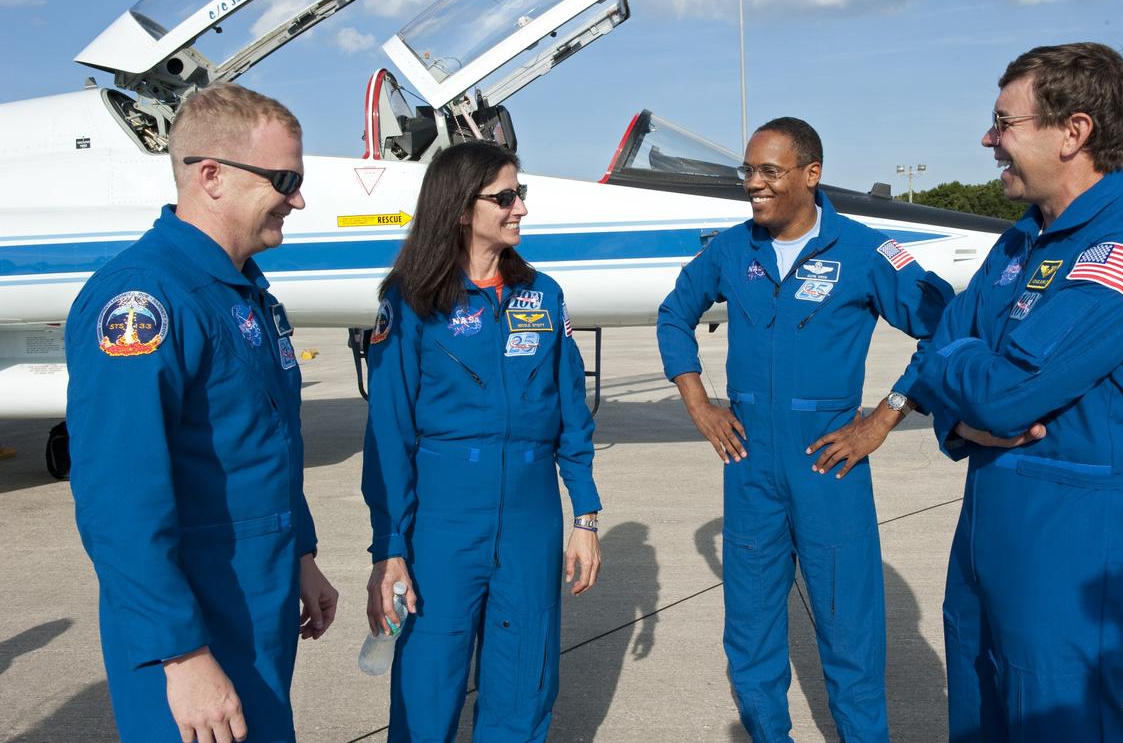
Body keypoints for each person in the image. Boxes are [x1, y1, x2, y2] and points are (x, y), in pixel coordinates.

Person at [909, 43, 1123, 741]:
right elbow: (936, 355)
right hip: (985, 527)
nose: (989, 139)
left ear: (1074, 132)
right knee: (977, 721)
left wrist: (964, 372)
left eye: (1004, 123)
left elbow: (1002, 394)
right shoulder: (1019, 244)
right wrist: (962, 410)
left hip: (1069, 540)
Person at [656, 117, 954, 741]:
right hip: (749, 463)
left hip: (828, 462)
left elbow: (945, 328)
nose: (753, 185)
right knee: (751, 631)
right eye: (748, 172)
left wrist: (884, 417)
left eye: (769, 172)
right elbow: (673, 316)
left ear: (811, 175)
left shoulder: (864, 251)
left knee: (850, 631)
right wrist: (700, 405)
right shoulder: (732, 249)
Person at [65, 83, 339, 743]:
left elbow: (268, 444)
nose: (297, 198)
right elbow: (118, 501)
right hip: (192, 619)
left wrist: (301, 552)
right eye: (284, 179)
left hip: (259, 604)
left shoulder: (247, 298)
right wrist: (181, 655)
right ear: (210, 176)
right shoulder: (144, 301)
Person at [362, 141, 602, 742]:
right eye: (506, 196)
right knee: (428, 680)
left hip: (530, 515)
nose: (520, 207)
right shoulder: (411, 301)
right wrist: (388, 547)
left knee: (525, 679)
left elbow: (571, 407)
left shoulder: (541, 296)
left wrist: (586, 515)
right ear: (462, 208)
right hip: (443, 520)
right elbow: (389, 432)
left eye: (521, 194)